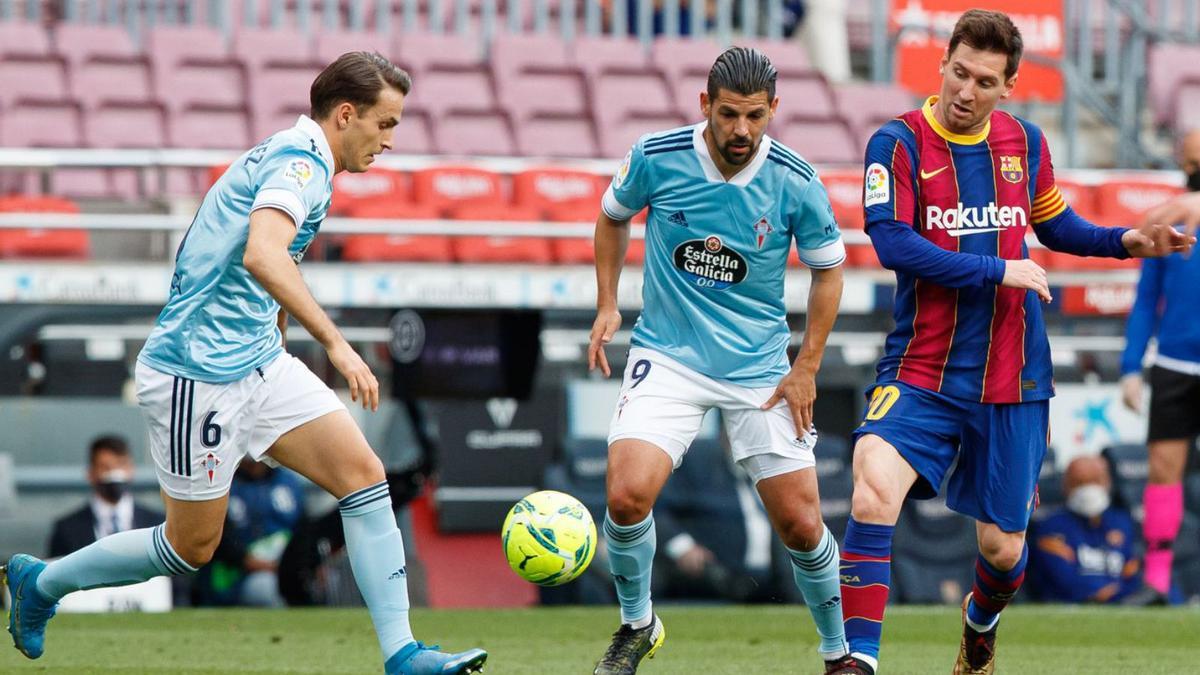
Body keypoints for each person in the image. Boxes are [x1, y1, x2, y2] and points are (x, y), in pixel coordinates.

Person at [1, 52, 486, 675]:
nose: (390, 140)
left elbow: (257, 266)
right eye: (385, 124)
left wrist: (278, 335)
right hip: (195, 375)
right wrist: (336, 343)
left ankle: (403, 653)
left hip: (258, 360)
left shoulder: (297, 157)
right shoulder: (300, 163)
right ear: (346, 114)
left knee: (365, 478)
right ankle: (41, 585)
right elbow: (263, 253)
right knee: (189, 547)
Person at [829, 10, 1194, 675]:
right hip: (921, 367)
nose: (966, 91)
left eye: (985, 81)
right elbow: (894, 243)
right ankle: (856, 660)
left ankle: (979, 627)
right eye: (960, 73)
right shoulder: (897, 143)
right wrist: (998, 268)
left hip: (1012, 376)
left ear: (1010, 85)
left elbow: (1055, 224)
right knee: (871, 486)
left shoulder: (1025, 143)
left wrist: (1124, 242)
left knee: (1003, 552)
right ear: (942, 63)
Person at [588, 46, 849, 674]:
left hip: (760, 368)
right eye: (729, 114)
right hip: (668, 354)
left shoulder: (795, 180)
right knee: (626, 497)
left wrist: (806, 365)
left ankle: (840, 653)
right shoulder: (658, 156)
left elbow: (830, 270)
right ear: (705, 104)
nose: (741, 130)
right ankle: (637, 624)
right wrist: (607, 304)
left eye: (755, 116)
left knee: (801, 524)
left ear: (773, 111)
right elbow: (611, 218)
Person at [1119, 129, 1200, 602]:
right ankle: (1156, 579)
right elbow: (1147, 299)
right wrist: (1132, 367)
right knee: (1163, 471)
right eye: (1188, 157)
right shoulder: (1170, 218)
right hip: (1174, 363)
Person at [1025, 456, 1143, 603]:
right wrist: (1104, 593)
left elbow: (1134, 575)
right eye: (1079, 483)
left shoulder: (1122, 523)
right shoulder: (1050, 527)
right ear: (1065, 486)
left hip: (1123, 605)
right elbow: (1063, 580)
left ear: (1108, 483)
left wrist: (1119, 594)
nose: (1088, 489)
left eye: (1095, 481)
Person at [192, 459, 305, 607]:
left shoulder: (288, 482)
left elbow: (303, 528)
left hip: (286, 565)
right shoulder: (221, 483)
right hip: (238, 576)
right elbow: (220, 542)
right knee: (266, 587)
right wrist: (265, 566)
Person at [47, 435, 163, 558]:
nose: (114, 474)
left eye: (120, 465)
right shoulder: (67, 529)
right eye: (105, 467)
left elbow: (177, 574)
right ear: (90, 474)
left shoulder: (159, 524)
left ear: (131, 469)